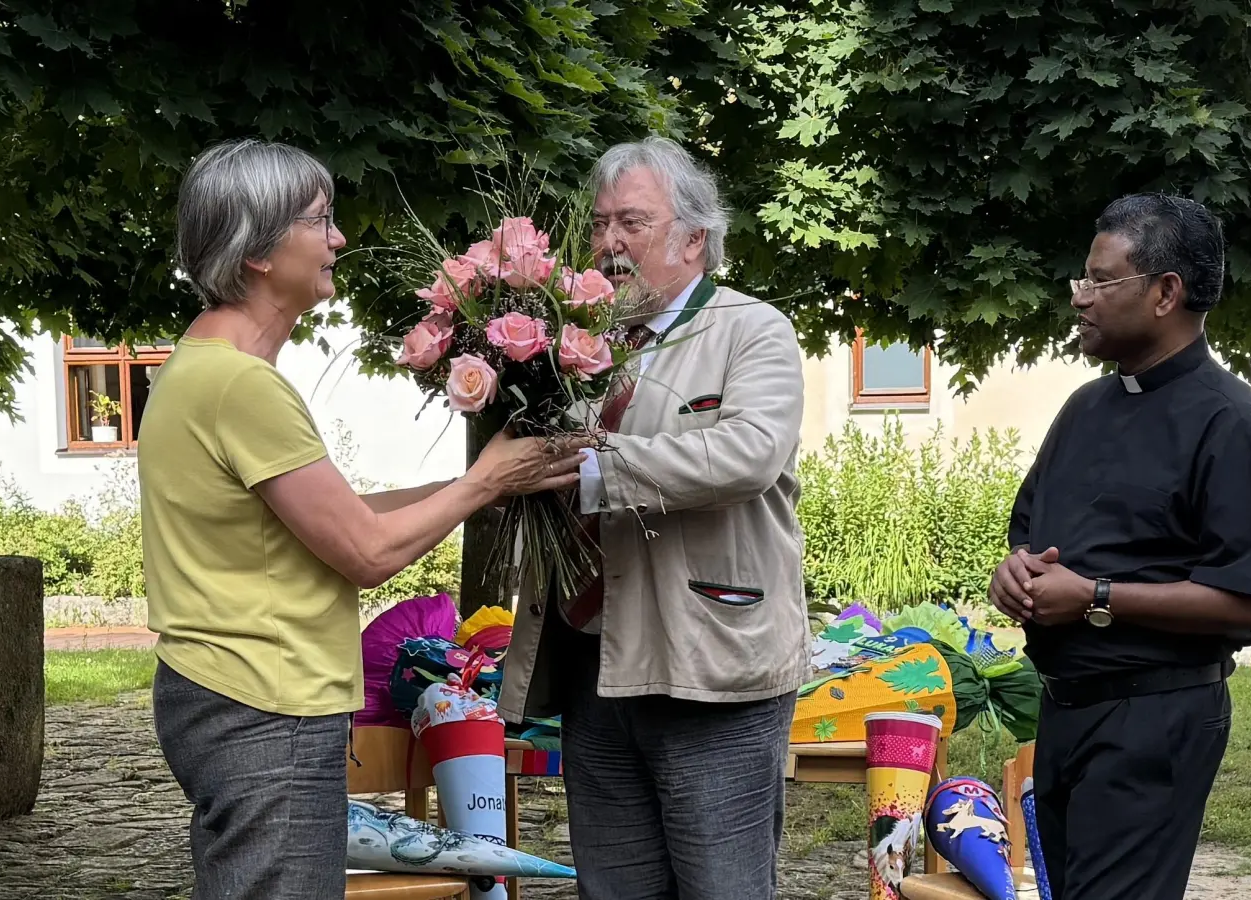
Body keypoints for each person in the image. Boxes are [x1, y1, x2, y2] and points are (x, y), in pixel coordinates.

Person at [139, 138, 586, 900]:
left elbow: (334, 519)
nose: (338, 239)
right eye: (320, 220)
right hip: (263, 704)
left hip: (229, 696)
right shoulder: (240, 386)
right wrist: (481, 486)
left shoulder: (203, 368)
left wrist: (484, 482)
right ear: (257, 251)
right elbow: (366, 551)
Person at [498, 136, 808, 900]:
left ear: (694, 238)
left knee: (721, 888)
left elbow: (751, 453)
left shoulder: (753, 328)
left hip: (709, 662)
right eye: (600, 224)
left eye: (632, 223)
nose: (607, 244)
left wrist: (596, 466)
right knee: (615, 887)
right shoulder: (578, 343)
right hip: (592, 663)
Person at [989, 193, 1251, 900]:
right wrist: (1013, 574)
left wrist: (1096, 598)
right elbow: (1029, 530)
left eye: (1101, 281)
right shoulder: (1085, 408)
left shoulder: (1235, 426)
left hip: (1155, 721)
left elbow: (1246, 602)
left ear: (1166, 293)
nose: (1081, 299)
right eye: (1083, 279)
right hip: (1066, 710)